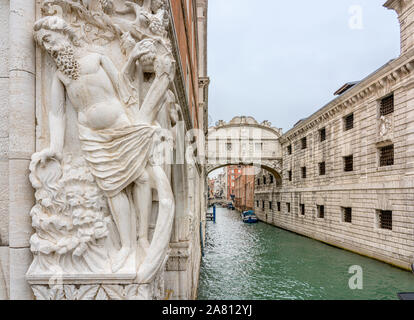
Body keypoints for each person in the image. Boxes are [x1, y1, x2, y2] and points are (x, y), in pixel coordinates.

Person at [33, 15, 175, 279]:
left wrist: (132, 58)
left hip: (119, 127)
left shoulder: (97, 57)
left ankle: (142, 238)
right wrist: (54, 146)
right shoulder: (60, 75)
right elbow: (56, 112)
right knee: (112, 187)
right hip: (91, 136)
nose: (49, 48)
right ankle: (126, 246)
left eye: (50, 40)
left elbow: (124, 85)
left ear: (63, 32)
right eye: (44, 45)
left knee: (141, 177)